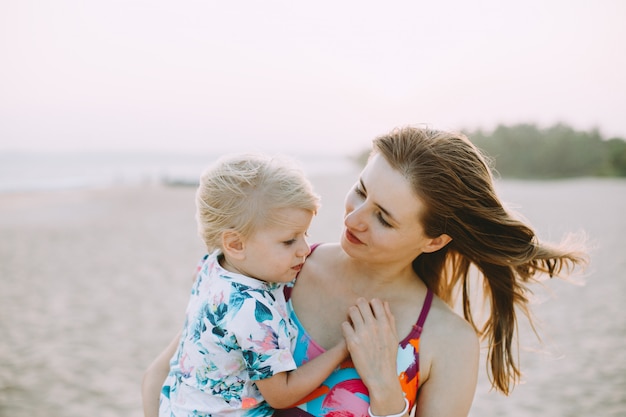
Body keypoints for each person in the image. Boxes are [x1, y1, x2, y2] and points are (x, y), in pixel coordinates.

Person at [143, 126, 588, 417]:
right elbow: (165, 373)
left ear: (434, 240)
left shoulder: (445, 341)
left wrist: (387, 394)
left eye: (384, 218)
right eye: (360, 191)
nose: (353, 220)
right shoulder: (275, 269)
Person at [155, 153, 349, 417]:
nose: (304, 249)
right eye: (289, 241)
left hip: (177, 406)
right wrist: (341, 349)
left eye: (305, 234)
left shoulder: (211, 264)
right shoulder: (252, 309)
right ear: (235, 244)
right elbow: (281, 394)